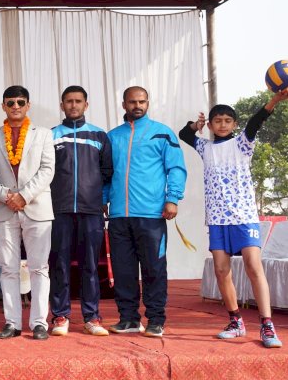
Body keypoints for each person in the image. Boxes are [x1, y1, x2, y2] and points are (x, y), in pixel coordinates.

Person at [178, 89, 288, 348]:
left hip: (244, 216)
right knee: (221, 270)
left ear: (235, 124)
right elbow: (184, 134)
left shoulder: (242, 143)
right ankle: (236, 321)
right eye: (218, 121)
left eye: (228, 121)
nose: (223, 124)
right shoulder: (204, 147)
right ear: (211, 125)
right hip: (217, 219)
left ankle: (266, 325)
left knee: (253, 266)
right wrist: (195, 125)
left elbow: (256, 122)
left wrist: (274, 100)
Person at [105, 86, 186, 338]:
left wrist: (172, 198)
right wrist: (102, 200)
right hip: (119, 217)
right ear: (124, 104)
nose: (137, 106)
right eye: (132, 102)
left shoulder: (162, 133)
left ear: (148, 103)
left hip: (152, 216)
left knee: (154, 269)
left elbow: (176, 168)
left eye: (141, 101)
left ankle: (156, 320)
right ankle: (128, 319)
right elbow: (106, 174)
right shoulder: (112, 137)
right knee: (124, 271)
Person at [0, 85, 55, 340]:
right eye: (10, 102)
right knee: (7, 268)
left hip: (37, 207)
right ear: (3, 106)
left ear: (28, 105)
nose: (15, 106)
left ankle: (39, 323)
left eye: (20, 102)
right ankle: (12, 322)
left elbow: (47, 170)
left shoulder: (43, 134)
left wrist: (24, 196)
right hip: (4, 209)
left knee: (39, 267)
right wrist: (6, 196)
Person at [48, 86, 113, 337]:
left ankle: (92, 317)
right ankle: (60, 315)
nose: (73, 105)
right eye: (69, 101)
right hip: (59, 210)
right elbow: (44, 173)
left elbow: (108, 172)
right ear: (62, 105)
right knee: (59, 264)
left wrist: (101, 201)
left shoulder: (99, 135)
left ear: (86, 104)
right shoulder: (51, 135)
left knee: (90, 265)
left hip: (91, 210)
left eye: (78, 101)